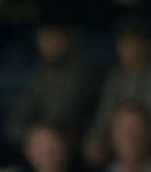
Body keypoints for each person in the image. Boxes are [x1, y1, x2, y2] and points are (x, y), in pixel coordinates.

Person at [85, 20, 151, 164]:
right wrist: (97, 140)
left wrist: (139, 133)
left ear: (147, 43)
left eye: (134, 41)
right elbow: (104, 116)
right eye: (124, 42)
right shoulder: (116, 77)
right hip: (121, 145)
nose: (128, 48)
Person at [6, 16, 101, 144]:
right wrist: (35, 134)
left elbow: (66, 115)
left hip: (77, 143)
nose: (47, 45)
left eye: (53, 38)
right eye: (43, 39)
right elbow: (18, 120)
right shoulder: (41, 74)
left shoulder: (85, 71)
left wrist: (47, 133)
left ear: (68, 38)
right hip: (45, 142)